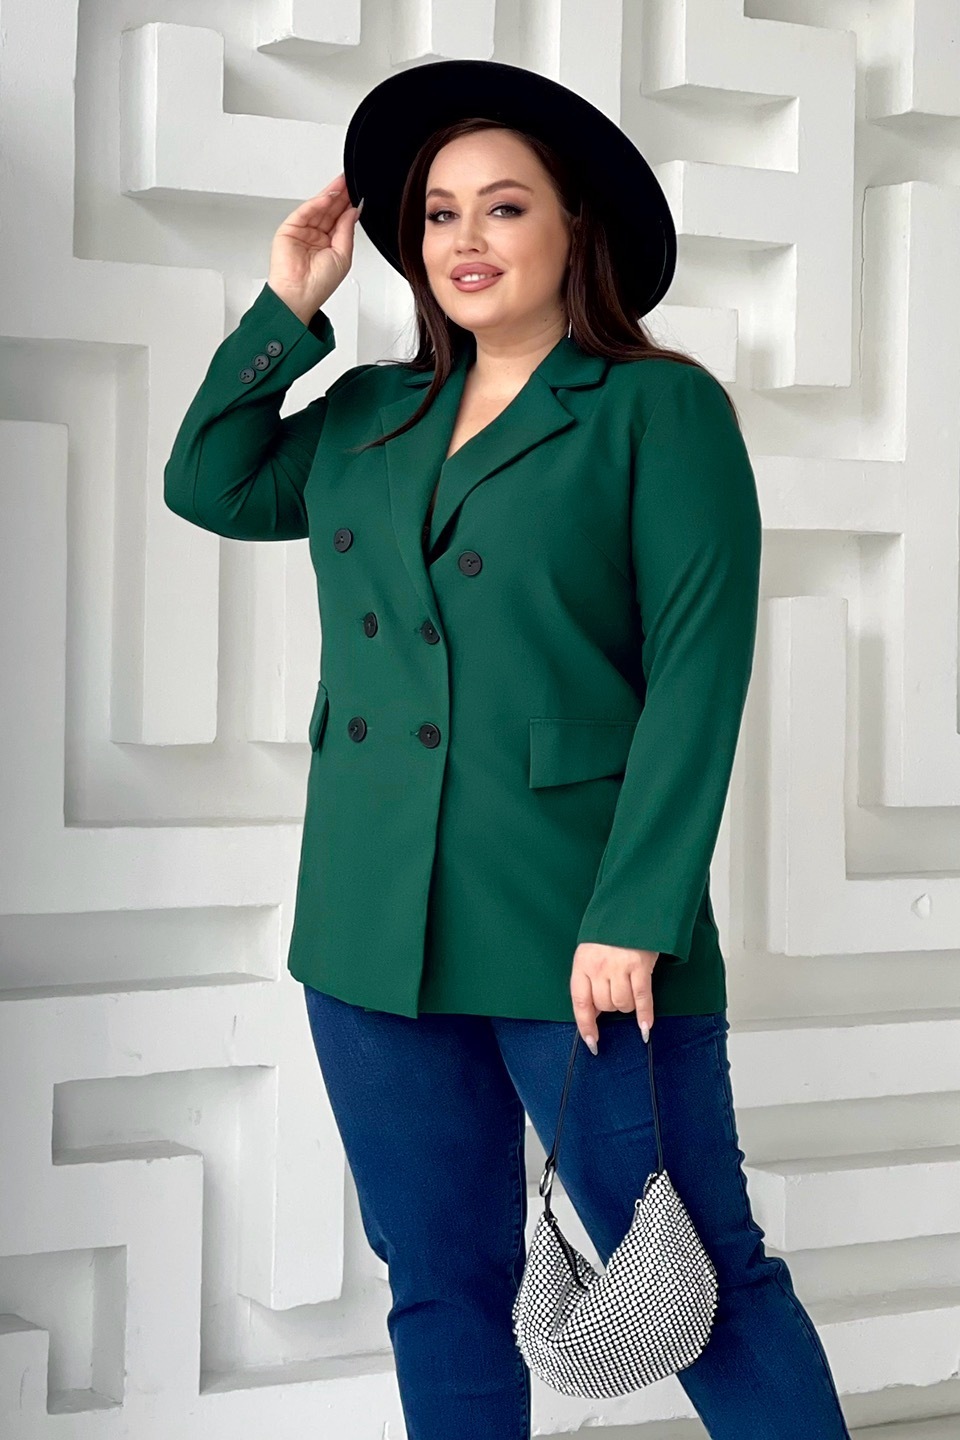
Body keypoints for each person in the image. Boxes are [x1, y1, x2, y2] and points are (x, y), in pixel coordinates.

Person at [164, 58, 851, 1440]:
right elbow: (209, 482)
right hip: (369, 927)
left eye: (504, 206)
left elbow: (698, 679)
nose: (464, 240)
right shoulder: (367, 412)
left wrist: (637, 913)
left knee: (701, 1276)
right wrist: (288, 304)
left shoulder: (657, 410)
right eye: (436, 214)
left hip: (578, 922)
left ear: (573, 226)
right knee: (439, 1281)